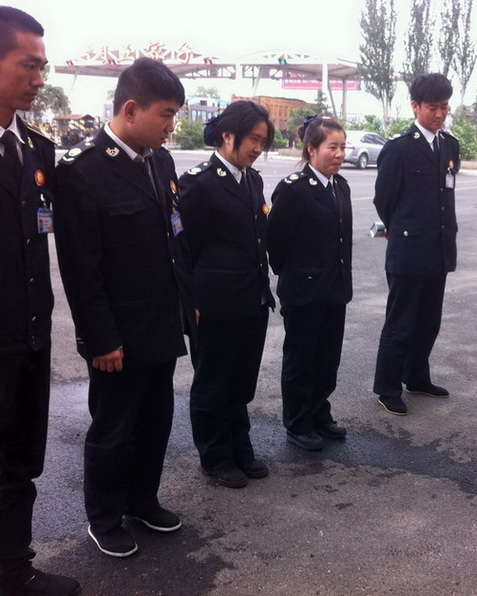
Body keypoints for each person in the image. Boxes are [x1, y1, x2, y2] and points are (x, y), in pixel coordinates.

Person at [54, 57, 187, 557]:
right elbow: (80, 269)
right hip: (118, 333)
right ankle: (105, 517)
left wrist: (187, 304)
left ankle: (142, 499)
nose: (172, 126)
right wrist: (99, 337)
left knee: (155, 419)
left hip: (160, 322)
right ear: (131, 109)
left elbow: (176, 241)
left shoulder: (162, 162)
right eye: (166, 114)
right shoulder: (83, 173)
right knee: (114, 427)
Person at [0, 7, 81, 595]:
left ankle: (13, 569)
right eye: (28, 66)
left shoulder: (35, 149)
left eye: (43, 67)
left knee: (19, 463)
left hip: (27, 336)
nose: (38, 79)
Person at [178, 101, 275, 486]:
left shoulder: (252, 180)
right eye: (253, 139)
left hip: (251, 299)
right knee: (214, 382)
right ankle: (215, 456)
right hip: (214, 304)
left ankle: (241, 447)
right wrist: (192, 302)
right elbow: (185, 250)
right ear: (228, 135)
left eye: (263, 141)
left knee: (240, 380)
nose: (258, 148)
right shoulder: (198, 183)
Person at [372, 73, 460, 416]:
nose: (439, 114)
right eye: (433, 107)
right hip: (408, 251)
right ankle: (387, 387)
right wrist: (401, 228)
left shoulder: (449, 145)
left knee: (428, 320)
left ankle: (417, 377)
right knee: (400, 322)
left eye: (444, 107)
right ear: (416, 106)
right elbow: (385, 200)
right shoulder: (399, 148)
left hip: (439, 248)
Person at [268, 117, 352, 451]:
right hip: (303, 292)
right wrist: (294, 275)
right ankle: (298, 422)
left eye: (343, 147)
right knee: (301, 360)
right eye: (333, 147)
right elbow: (275, 242)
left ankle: (320, 413)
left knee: (327, 358)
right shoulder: (293, 188)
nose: (339, 154)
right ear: (312, 148)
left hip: (334, 289)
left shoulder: (340, 186)